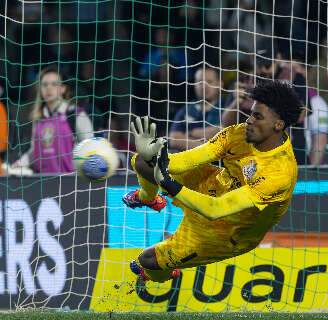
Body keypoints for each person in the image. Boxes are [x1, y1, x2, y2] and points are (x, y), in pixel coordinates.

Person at [122, 80, 302, 284]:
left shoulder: (280, 173)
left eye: (257, 116)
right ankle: (148, 199)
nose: (249, 121)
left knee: (146, 262)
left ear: (278, 125)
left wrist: (168, 183)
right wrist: (157, 159)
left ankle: (163, 272)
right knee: (142, 162)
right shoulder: (237, 134)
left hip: (226, 233)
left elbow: (216, 209)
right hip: (212, 185)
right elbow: (187, 161)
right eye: (251, 113)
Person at [12, 66, 93, 173]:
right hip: (42, 183)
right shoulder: (38, 119)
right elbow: (34, 152)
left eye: (54, 84)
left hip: (71, 183)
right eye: (45, 85)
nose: (49, 88)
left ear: (63, 89)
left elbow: (91, 148)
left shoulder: (76, 114)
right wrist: (18, 165)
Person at [169, 67, 223, 152]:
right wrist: (208, 146)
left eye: (209, 82)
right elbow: (174, 140)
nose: (204, 86)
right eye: (200, 82)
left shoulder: (227, 107)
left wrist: (191, 133)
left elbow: (223, 133)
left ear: (219, 84)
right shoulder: (187, 109)